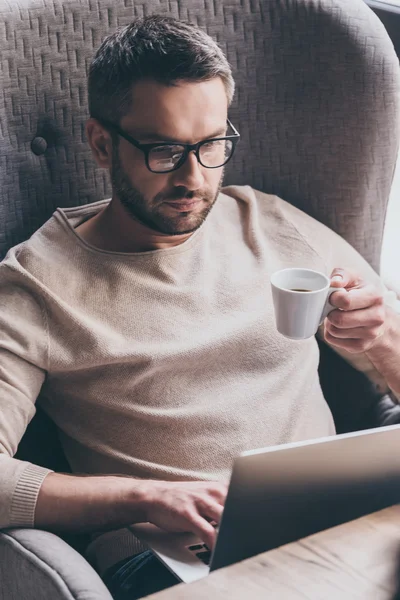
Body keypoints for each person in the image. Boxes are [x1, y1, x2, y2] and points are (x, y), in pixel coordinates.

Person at [0, 14, 399, 600]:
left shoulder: (269, 222)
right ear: (101, 143)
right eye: (165, 151)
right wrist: (145, 498)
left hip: (345, 514)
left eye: (211, 145)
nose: (194, 177)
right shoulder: (36, 284)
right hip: (180, 561)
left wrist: (383, 336)